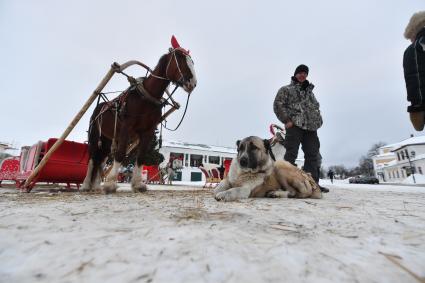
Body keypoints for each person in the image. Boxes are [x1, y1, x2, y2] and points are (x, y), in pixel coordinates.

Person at [274, 64, 328, 193]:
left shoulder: (310, 93)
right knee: (291, 154)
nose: (303, 75)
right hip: (295, 126)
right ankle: (285, 183)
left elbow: (315, 108)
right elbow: (278, 105)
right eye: (300, 73)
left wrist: (318, 120)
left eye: (305, 73)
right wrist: (287, 120)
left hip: (311, 128)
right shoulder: (286, 89)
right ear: (295, 74)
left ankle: (312, 184)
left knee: (312, 155)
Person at [403, 11, 425, 131]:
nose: (410, 41)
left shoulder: (413, 50)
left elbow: (414, 80)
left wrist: (416, 109)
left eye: (410, 37)